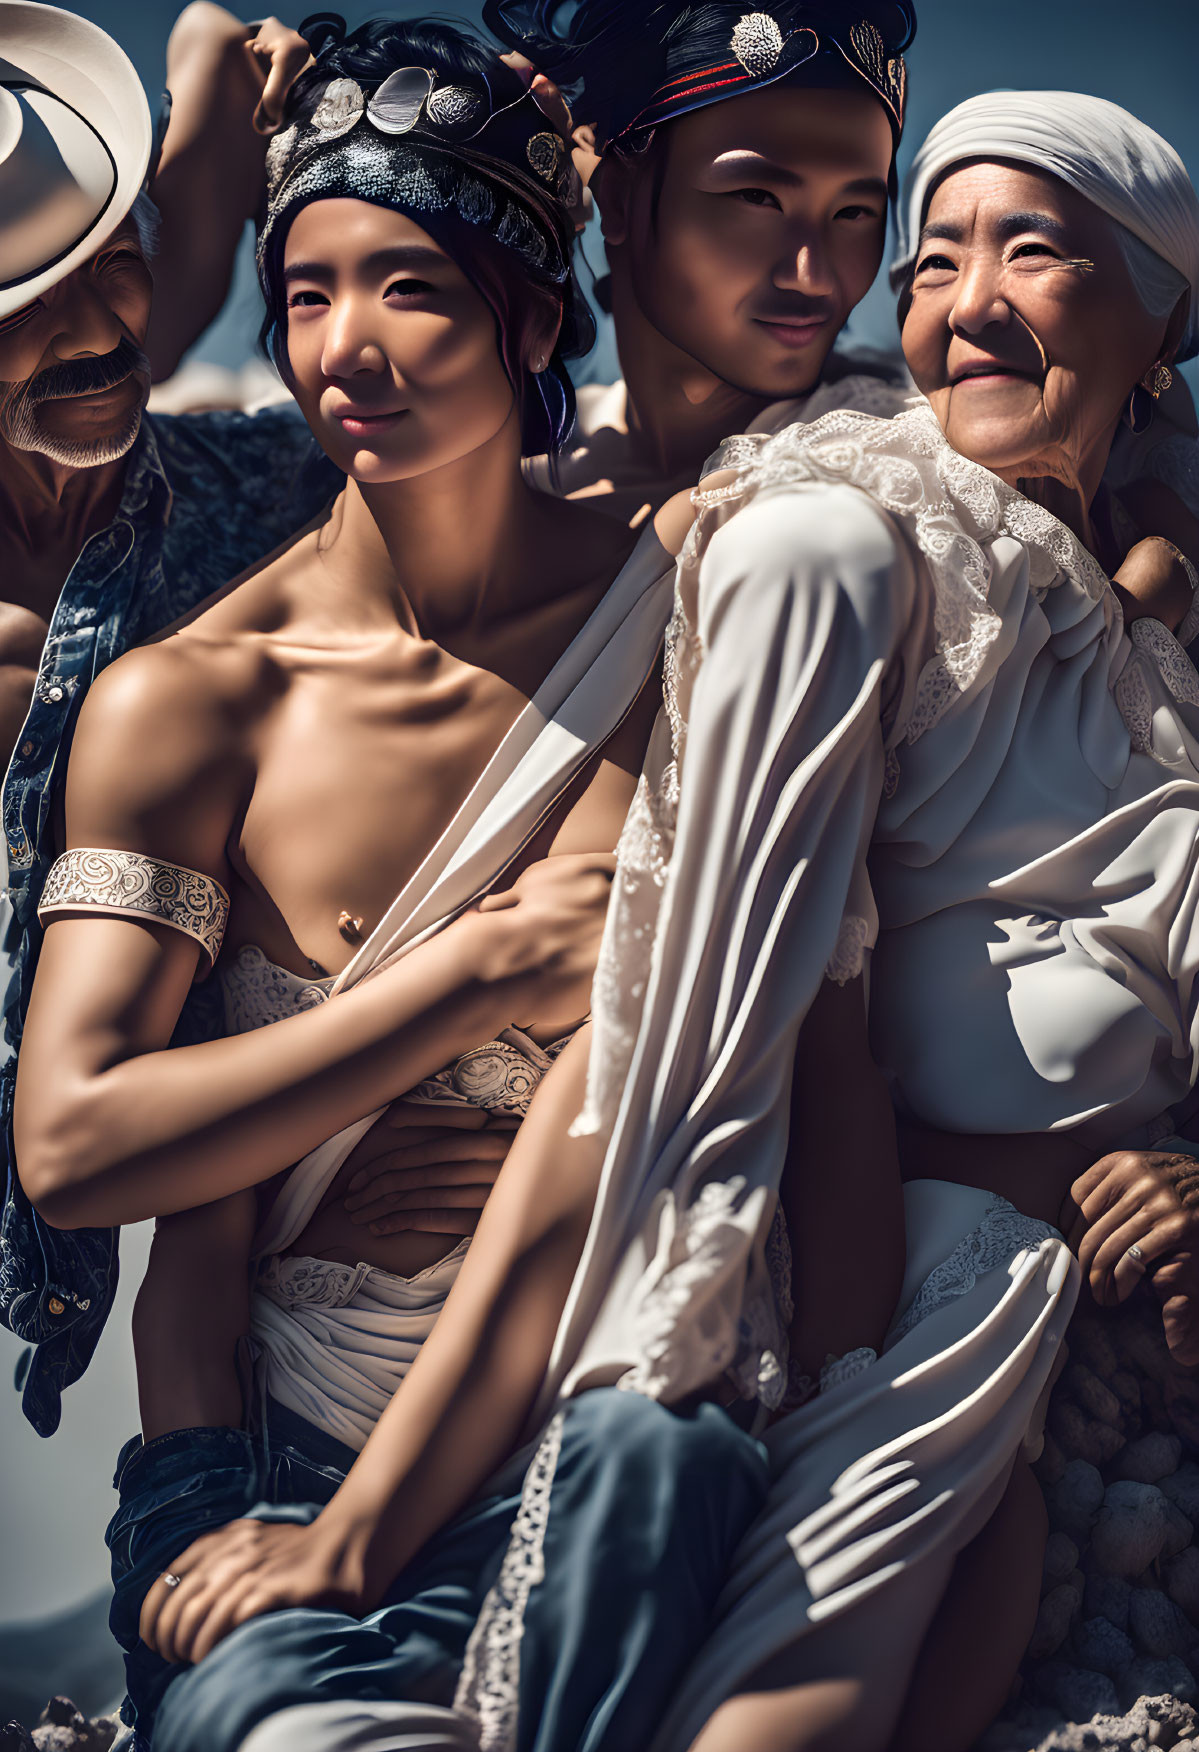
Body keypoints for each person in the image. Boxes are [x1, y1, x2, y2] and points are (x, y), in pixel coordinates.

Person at [105, 86, 1199, 1752]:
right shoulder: (817, 538)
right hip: (672, 1341)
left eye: (865, 220)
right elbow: (662, 1067)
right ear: (617, 220)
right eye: (933, 253)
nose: (877, 280)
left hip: (926, 1357)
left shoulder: (1091, 626)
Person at [14, 20, 765, 1752]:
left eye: (409, 286)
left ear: (524, 317)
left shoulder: (688, 615)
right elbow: (74, 1140)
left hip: (602, 1413)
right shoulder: (194, 702)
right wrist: (473, 975)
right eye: (303, 293)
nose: (343, 347)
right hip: (276, 1444)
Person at [0, 1, 343, 1441]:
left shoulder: (263, 496)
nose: (95, 329)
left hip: (269, 1170)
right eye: (23, 301)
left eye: (112, 263)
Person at [484, 0, 918, 524]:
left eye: (853, 212)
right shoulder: (530, 466)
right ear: (618, 194)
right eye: (757, 198)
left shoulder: (891, 485)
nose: (812, 277)